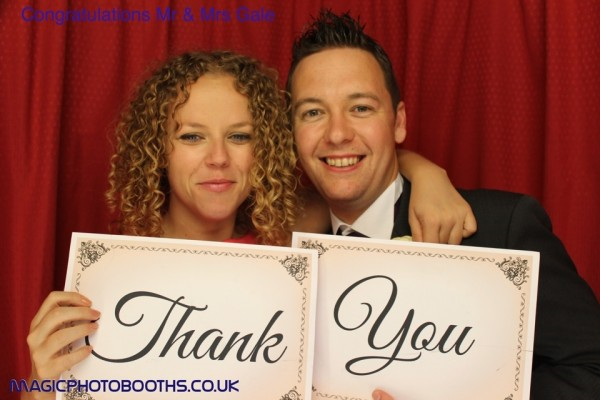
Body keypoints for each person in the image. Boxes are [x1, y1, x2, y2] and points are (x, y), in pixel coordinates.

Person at [23, 50, 475, 399]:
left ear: (267, 149)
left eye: (240, 136)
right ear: (158, 149)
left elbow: (356, 175)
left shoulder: (294, 235)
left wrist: (427, 175)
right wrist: (39, 385)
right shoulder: (108, 284)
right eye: (192, 136)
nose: (218, 158)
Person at [287, 10, 600, 400]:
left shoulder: (502, 229)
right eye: (313, 112)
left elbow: (592, 369)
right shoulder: (283, 249)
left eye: (361, 108)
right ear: (293, 132)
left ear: (398, 122)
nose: (337, 134)